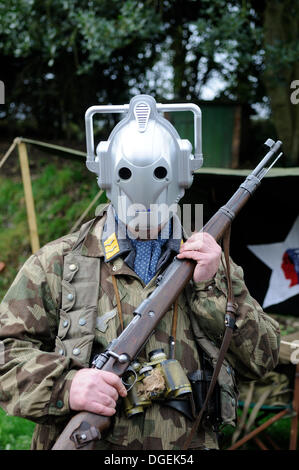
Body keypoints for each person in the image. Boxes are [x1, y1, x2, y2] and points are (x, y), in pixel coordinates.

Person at [0, 95, 280, 451]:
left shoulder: (212, 265)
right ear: (107, 175)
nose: (145, 196)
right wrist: (66, 387)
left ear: (181, 177)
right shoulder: (58, 263)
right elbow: (5, 352)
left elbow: (264, 359)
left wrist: (211, 288)